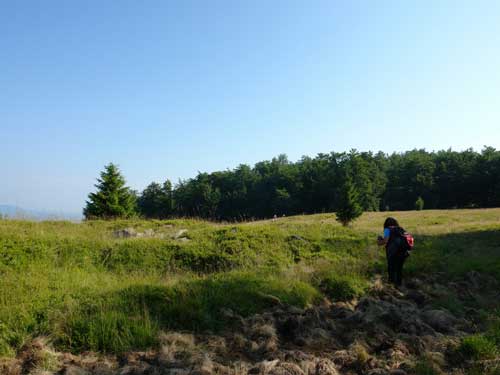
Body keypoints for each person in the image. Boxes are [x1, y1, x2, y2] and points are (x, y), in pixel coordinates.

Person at [377, 217, 409, 287]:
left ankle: (391, 286)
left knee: (391, 268)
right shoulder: (401, 229)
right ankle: (399, 285)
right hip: (404, 252)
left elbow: (385, 241)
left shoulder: (387, 229)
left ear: (386, 224)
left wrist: (379, 240)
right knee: (399, 269)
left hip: (393, 253)